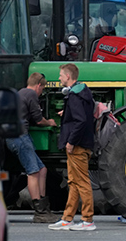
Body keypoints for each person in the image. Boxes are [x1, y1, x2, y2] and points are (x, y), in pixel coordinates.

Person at [50, 64, 97, 231]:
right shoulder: (82, 92)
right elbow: (83, 115)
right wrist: (67, 112)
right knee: (73, 181)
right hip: (82, 142)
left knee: (82, 182)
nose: (59, 78)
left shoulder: (74, 96)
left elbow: (80, 120)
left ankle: (88, 220)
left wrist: (71, 141)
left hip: (77, 145)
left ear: (68, 76)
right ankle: (67, 218)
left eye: (61, 75)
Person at [6, 72, 57, 223]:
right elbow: (39, 120)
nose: (42, 93)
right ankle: (39, 212)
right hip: (20, 137)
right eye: (42, 89)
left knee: (42, 169)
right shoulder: (31, 94)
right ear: (38, 85)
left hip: (18, 137)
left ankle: (44, 206)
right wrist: (50, 122)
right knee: (33, 172)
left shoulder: (21, 92)